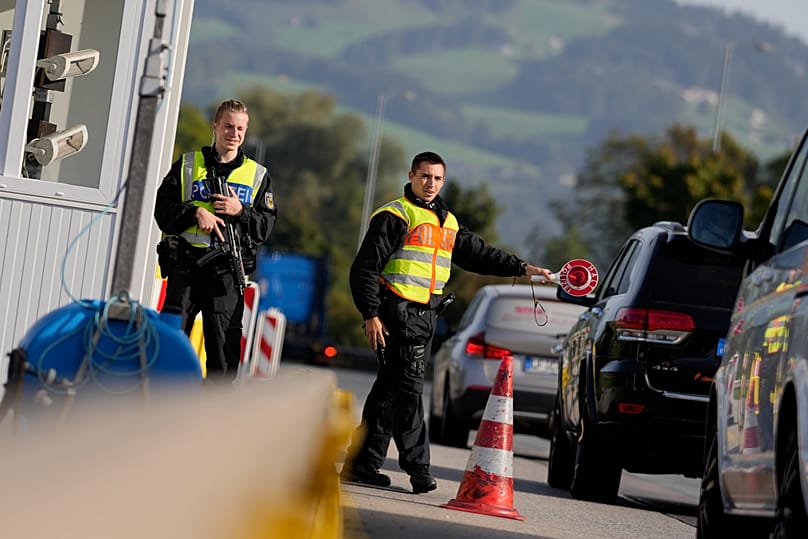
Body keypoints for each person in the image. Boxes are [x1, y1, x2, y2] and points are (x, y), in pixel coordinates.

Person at [341, 151, 553, 493]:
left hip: (423, 318)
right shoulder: (395, 215)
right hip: (397, 314)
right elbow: (363, 269)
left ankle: (362, 464)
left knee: (389, 392)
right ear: (411, 175)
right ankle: (419, 469)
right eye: (425, 176)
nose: (431, 184)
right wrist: (371, 314)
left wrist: (523, 268)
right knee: (409, 393)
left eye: (437, 178)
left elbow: (480, 254)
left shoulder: (448, 221)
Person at [153, 99, 277, 381]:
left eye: (240, 129)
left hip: (225, 275)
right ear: (215, 127)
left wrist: (241, 211)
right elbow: (162, 212)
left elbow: (264, 229)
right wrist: (194, 213)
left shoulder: (258, 176)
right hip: (186, 267)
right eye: (228, 127)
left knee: (223, 359)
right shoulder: (188, 164)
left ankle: (213, 420)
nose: (234, 133)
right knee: (169, 347)